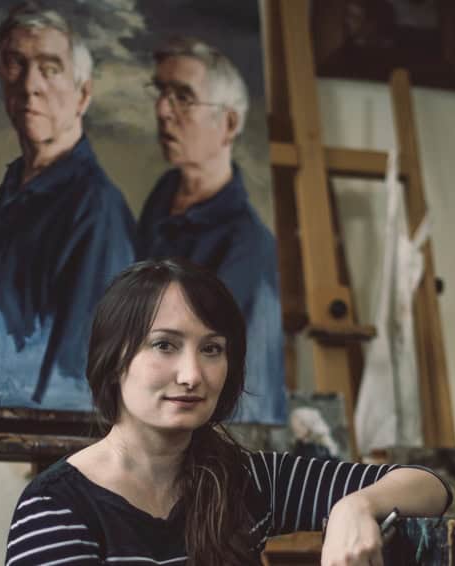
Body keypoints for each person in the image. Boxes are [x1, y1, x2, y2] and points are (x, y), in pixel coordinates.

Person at [5, 258, 452, 565]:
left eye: (212, 349)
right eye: (165, 345)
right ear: (114, 358)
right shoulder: (56, 506)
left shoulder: (243, 478)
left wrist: (354, 507)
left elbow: (430, 488)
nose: (192, 375)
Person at [0, 2, 136, 405]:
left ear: (83, 94)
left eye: (50, 68)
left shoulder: (96, 208)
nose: (30, 85)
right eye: (16, 63)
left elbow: (77, 378)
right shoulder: (14, 184)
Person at [137, 37, 285, 424]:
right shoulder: (164, 194)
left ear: (229, 123)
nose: (163, 110)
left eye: (183, 96)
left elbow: (224, 381)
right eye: (161, 92)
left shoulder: (247, 246)